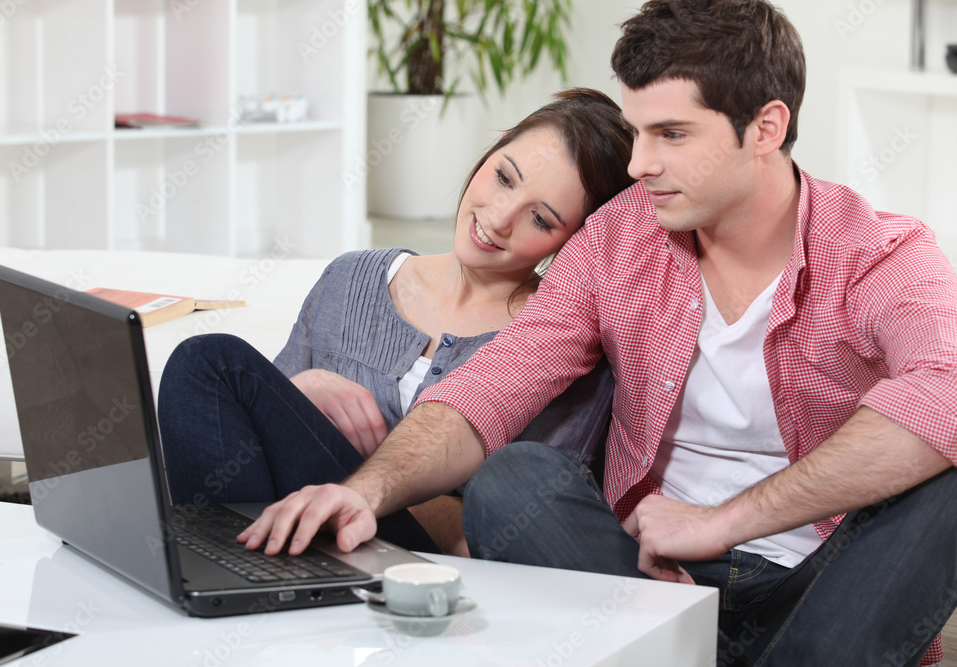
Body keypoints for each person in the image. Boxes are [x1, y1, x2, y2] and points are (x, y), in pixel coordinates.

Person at [238, 1, 957, 665]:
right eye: (637, 130)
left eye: (671, 134)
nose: (639, 164)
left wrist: (722, 521)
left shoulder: (879, 253)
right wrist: (368, 491)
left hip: (817, 581)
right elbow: (496, 381)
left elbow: (946, 386)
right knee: (513, 478)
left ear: (765, 128)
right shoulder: (620, 238)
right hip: (646, 577)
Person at [158, 87, 635, 557]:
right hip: (294, 538)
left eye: (542, 220)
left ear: (575, 243)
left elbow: (495, 538)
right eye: (505, 178)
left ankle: (231, 581)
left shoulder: (562, 344)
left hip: (420, 567)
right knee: (205, 362)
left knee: (211, 362)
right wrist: (302, 389)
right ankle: (229, 581)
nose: (500, 218)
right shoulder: (350, 279)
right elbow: (238, 437)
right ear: (495, 147)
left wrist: (360, 485)